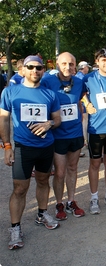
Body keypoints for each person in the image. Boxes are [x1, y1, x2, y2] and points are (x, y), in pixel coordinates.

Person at [0, 55, 61, 250]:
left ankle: (42, 213)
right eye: (31, 67)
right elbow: (3, 120)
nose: (35, 71)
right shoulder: (11, 92)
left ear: (43, 70)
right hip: (23, 148)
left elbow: (57, 119)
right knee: (20, 189)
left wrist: (48, 123)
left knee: (43, 181)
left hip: (45, 147)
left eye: (39, 68)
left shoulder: (50, 94)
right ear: (23, 70)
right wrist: (7, 147)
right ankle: (15, 228)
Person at [41, 52, 86, 221]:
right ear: (58, 65)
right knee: (59, 172)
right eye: (64, 64)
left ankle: (71, 201)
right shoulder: (48, 81)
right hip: (58, 135)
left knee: (73, 169)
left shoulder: (80, 82)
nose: (68, 67)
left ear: (75, 66)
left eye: (71, 64)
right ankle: (59, 203)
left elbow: (82, 100)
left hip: (75, 133)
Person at [81, 48, 106, 214]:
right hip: (96, 129)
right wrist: (86, 102)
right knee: (95, 164)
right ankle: (94, 197)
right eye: (103, 60)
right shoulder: (88, 78)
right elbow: (80, 92)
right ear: (97, 62)